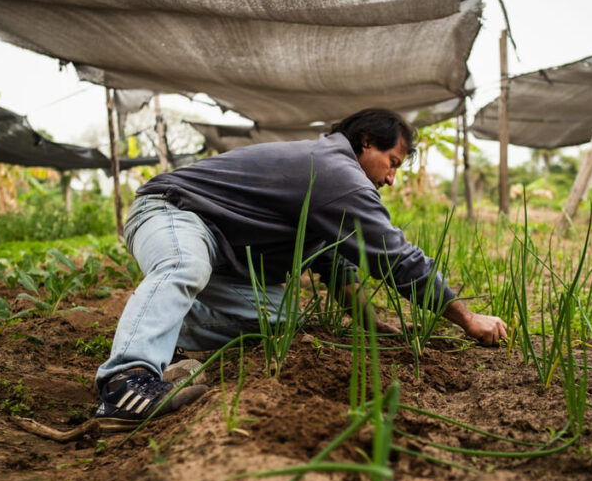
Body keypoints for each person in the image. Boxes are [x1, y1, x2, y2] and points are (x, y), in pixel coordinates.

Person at [94, 108, 507, 431]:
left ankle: (168, 338)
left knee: (283, 317)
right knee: (185, 264)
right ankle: (126, 383)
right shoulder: (337, 171)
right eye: (392, 162)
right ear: (366, 143)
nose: (393, 178)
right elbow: (394, 255)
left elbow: (337, 267)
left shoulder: (328, 185)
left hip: (221, 251)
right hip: (172, 211)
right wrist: (466, 319)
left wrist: (374, 325)